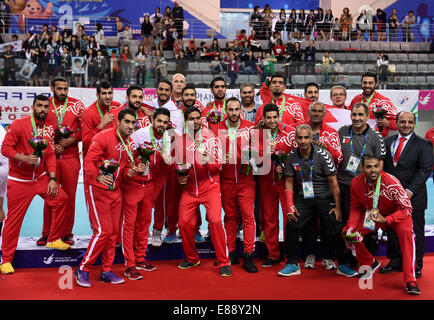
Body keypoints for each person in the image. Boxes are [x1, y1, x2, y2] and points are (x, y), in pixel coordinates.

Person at [0, 95, 70, 275]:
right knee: (13, 221)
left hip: (41, 178)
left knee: (62, 199)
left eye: (46, 106)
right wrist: (23, 157)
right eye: (39, 106)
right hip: (20, 181)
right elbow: (5, 148)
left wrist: (53, 179)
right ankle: (6, 259)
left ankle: (53, 238)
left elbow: (51, 153)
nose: (43, 109)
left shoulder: (50, 127)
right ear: (33, 107)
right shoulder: (18, 125)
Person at [74, 108, 137, 287]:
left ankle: (106, 270)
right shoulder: (102, 137)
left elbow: (123, 170)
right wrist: (98, 176)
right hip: (97, 189)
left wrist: (129, 172)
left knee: (112, 233)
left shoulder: (129, 143)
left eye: (133, 123)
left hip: (115, 191)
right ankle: (83, 268)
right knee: (102, 231)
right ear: (118, 122)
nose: (130, 126)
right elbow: (88, 163)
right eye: (127, 122)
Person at [343, 154, 420, 295]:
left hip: (397, 215)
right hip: (373, 215)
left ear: (380, 166)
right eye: (369, 167)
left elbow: (407, 208)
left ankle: (410, 280)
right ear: (362, 168)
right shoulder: (355, 183)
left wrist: (386, 220)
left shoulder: (391, 182)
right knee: (350, 232)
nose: (373, 170)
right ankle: (370, 262)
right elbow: (355, 208)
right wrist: (351, 226)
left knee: (406, 234)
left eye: (376, 166)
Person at [174, 107, 231, 276]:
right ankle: (192, 258)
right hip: (190, 190)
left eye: (198, 118)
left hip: (210, 187)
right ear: (186, 121)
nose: (195, 121)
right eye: (191, 119)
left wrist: (208, 163)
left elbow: (219, 165)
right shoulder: (180, 141)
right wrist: (180, 177)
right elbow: (177, 166)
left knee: (214, 221)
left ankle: (224, 261)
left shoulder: (212, 138)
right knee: (183, 223)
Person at [279, 124, 341, 276]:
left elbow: (333, 182)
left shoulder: (323, 154)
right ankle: (292, 264)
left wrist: (338, 207)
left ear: (312, 139)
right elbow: (288, 183)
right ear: (295, 139)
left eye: (306, 137)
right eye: (300, 138)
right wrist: (289, 206)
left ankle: (336, 260)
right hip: (304, 197)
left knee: (335, 224)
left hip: (324, 196)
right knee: (291, 223)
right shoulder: (292, 156)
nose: (303, 141)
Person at [381, 112, 433, 279]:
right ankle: (395, 262)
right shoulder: (386, 142)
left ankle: (416, 265)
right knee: (393, 231)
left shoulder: (424, 144)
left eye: (409, 122)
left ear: (414, 124)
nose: (406, 125)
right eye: (402, 122)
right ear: (396, 123)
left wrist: (409, 191)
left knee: (414, 232)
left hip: (414, 197)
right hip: (392, 197)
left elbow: (424, 170)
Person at [336, 102, 386, 276]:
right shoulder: (342, 131)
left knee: (365, 226)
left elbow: (380, 166)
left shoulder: (375, 136)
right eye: (354, 114)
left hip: (365, 189)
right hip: (343, 185)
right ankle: (348, 261)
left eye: (360, 115)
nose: (357, 118)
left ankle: (367, 260)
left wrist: (376, 191)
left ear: (367, 117)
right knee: (346, 226)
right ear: (350, 115)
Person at [122, 108, 172, 280]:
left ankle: (140, 258)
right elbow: (127, 156)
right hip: (133, 185)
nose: (162, 125)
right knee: (129, 226)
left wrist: (167, 161)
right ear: (153, 120)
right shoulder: (139, 135)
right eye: (159, 121)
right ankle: (129, 264)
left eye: (165, 122)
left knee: (144, 224)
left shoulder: (166, 137)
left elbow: (162, 163)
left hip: (149, 185)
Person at [210, 97, 258, 272]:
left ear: (241, 110)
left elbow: (261, 155)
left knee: (248, 217)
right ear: (225, 111)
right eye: (230, 110)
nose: (234, 113)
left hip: (246, 181)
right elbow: (208, 153)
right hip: (225, 181)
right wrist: (220, 160)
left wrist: (254, 158)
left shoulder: (251, 128)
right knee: (230, 217)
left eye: (237, 109)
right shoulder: (215, 129)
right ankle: (230, 252)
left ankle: (248, 254)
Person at [38, 78, 85, 247]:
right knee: (51, 196)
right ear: (52, 88)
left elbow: (84, 130)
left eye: (65, 88)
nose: (63, 92)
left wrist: (72, 140)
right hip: (50, 158)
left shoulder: (77, 105)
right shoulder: (44, 105)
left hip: (70, 157)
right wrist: (51, 145)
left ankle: (66, 233)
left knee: (70, 198)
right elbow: (38, 129)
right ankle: (47, 233)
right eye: (59, 89)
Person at [256, 103, 297, 267]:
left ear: (278, 117)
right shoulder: (258, 134)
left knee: (289, 219)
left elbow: (297, 154)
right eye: (269, 118)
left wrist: (284, 161)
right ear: (263, 119)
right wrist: (266, 152)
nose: (272, 121)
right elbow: (252, 158)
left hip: (285, 182)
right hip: (266, 182)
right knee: (270, 219)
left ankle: (290, 256)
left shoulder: (289, 133)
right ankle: (273, 255)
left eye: (275, 117)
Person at [349, 72, 398, 137]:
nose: (367, 86)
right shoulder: (356, 99)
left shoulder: (383, 101)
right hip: (357, 138)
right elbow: (348, 116)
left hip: (376, 139)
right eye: (364, 83)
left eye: (370, 83)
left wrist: (388, 123)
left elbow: (398, 122)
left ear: (375, 84)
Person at [81, 81, 121, 159]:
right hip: (95, 158)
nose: (108, 97)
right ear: (97, 95)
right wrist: (100, 126)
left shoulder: (117, 106)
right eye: (104, 93)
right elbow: (85, 142)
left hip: (113, 157)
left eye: (110, 93)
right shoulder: (88, 113)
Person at [306, 101, 343, 165]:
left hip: (324, 172)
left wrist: (326, 148)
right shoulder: (297, 129)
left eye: (320, 111)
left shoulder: (332, 133)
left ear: (324, 114)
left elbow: (338, 159)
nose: (316, 114)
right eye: (314, 111)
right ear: (308, 112)